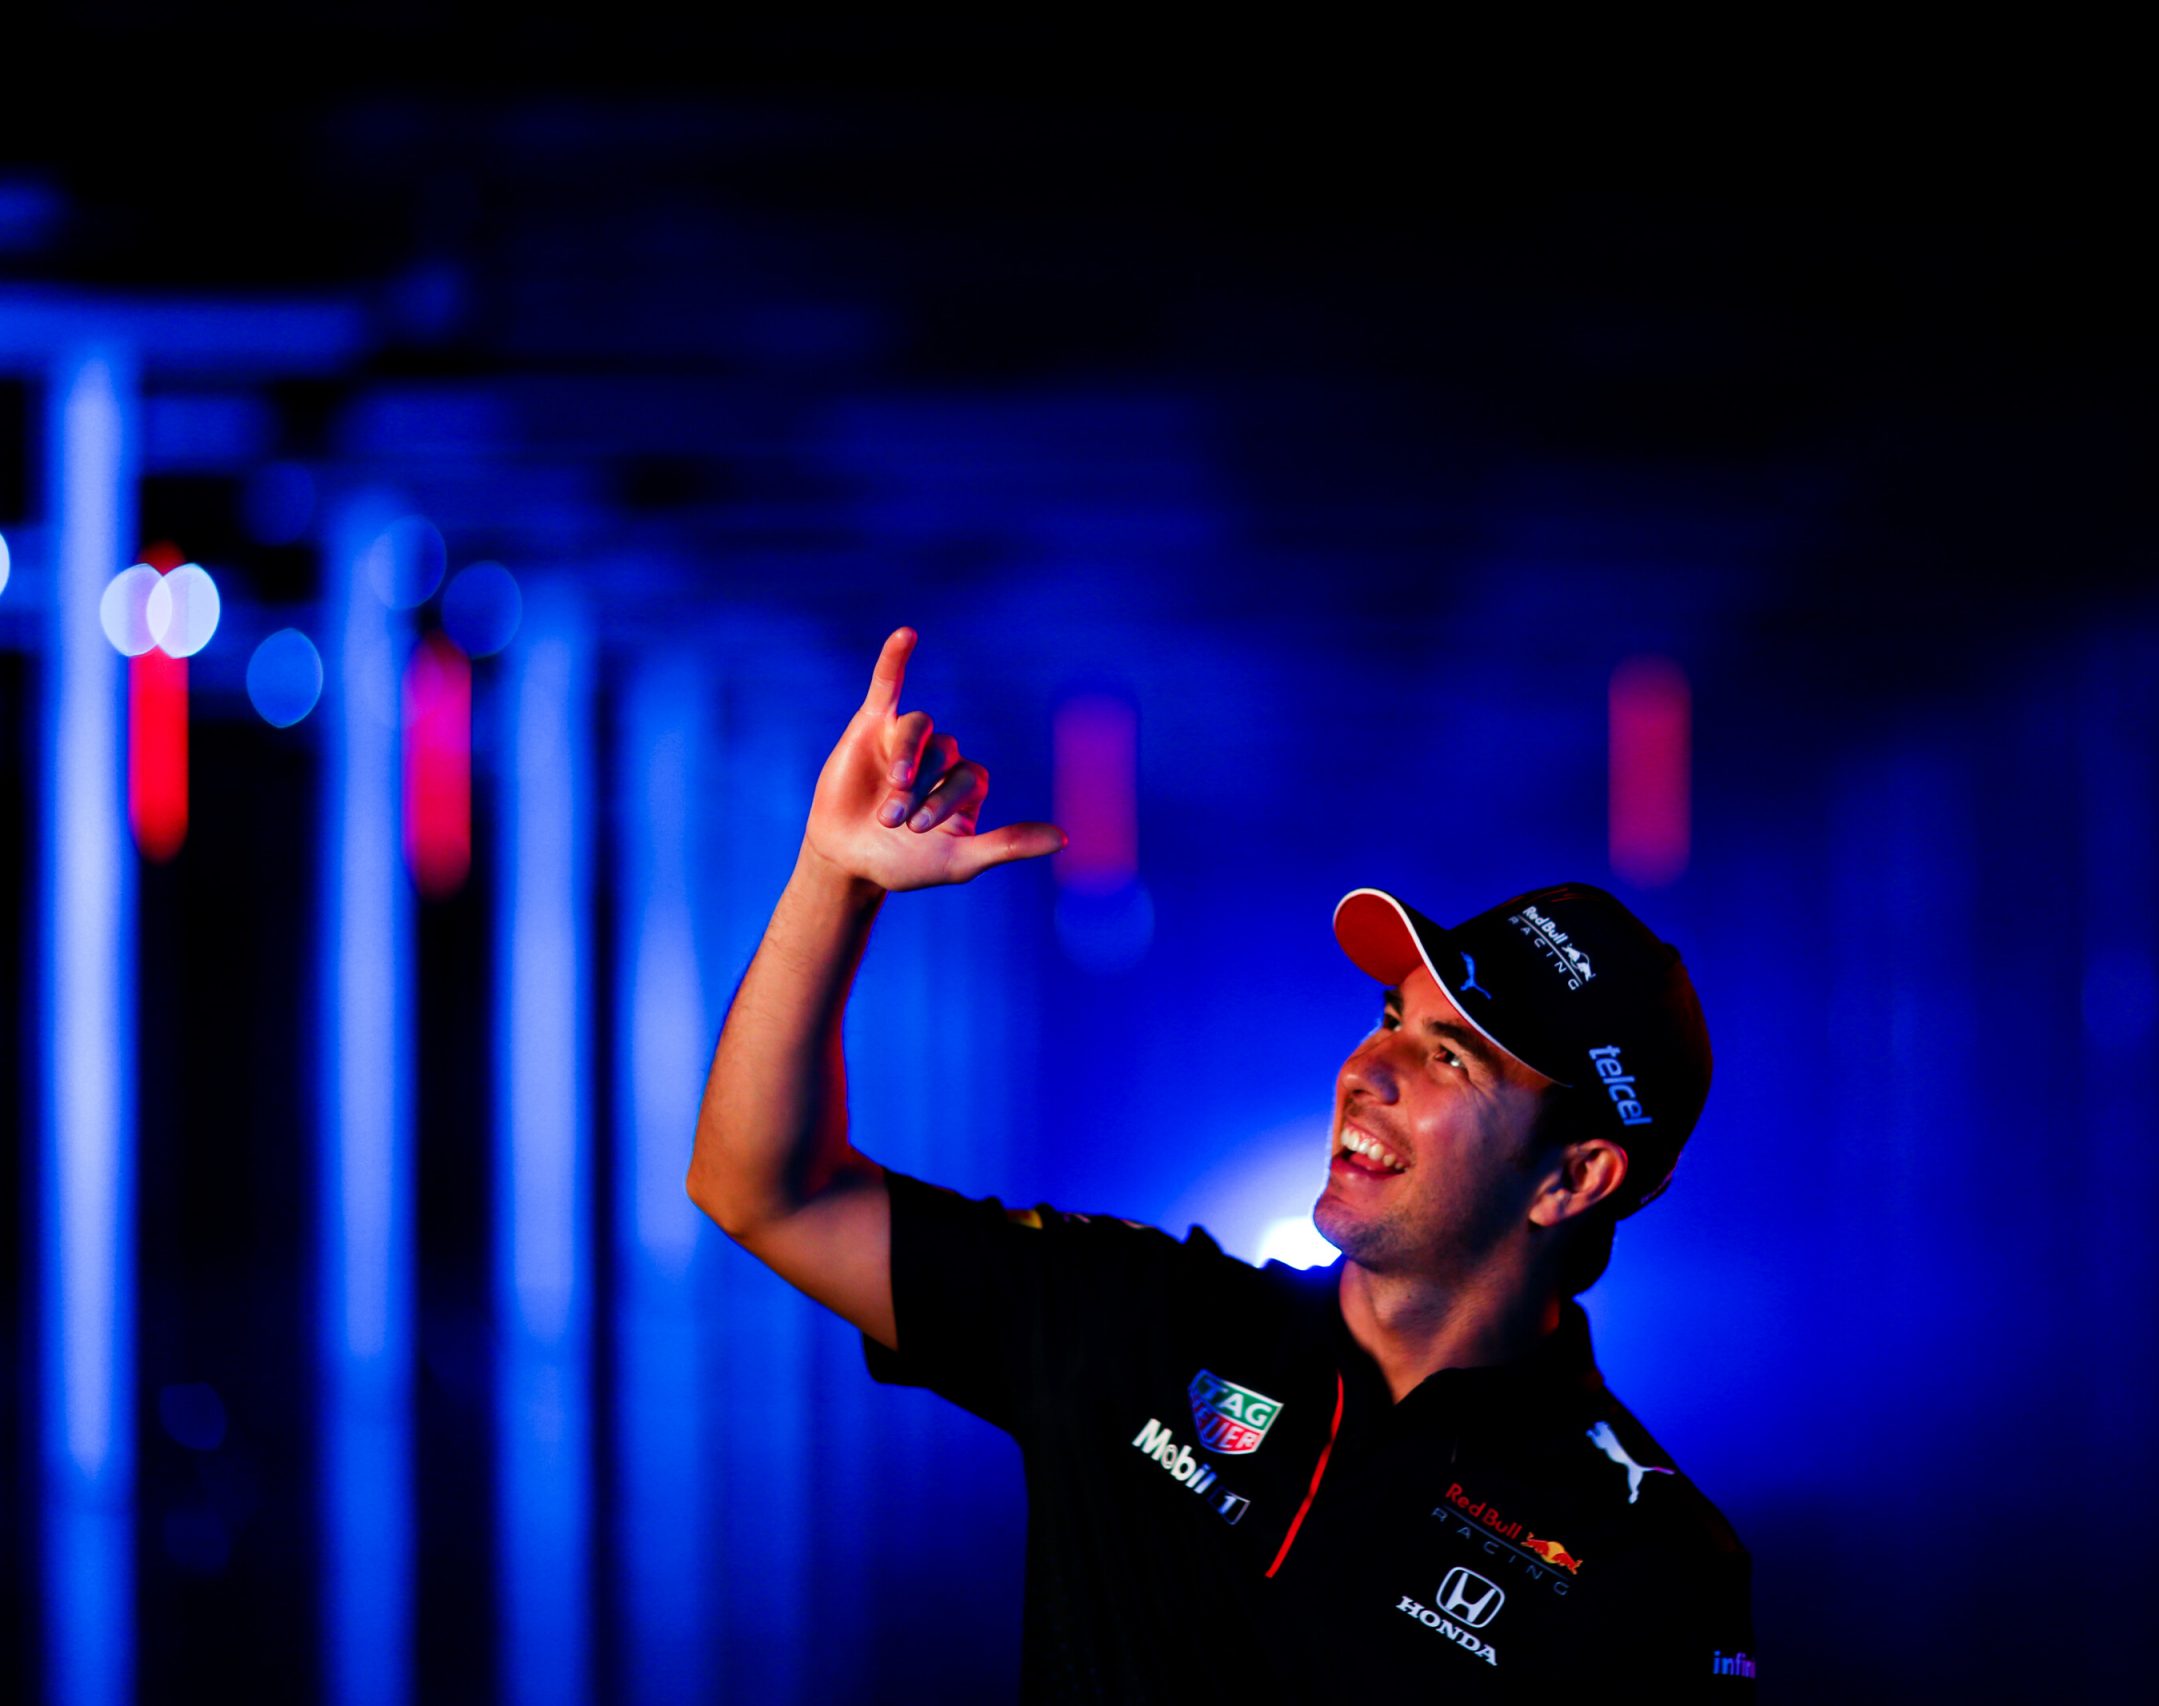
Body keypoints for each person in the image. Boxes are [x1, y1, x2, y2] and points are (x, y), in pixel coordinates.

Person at [688, 629, 1757, 1701]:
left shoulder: (1652, 1561)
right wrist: (833, 878)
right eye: (1390, 1019)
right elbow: (768, 1191)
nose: (1366, 1070)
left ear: (1574, 1178)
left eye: (1448, 1058)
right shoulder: (1141, 1322)